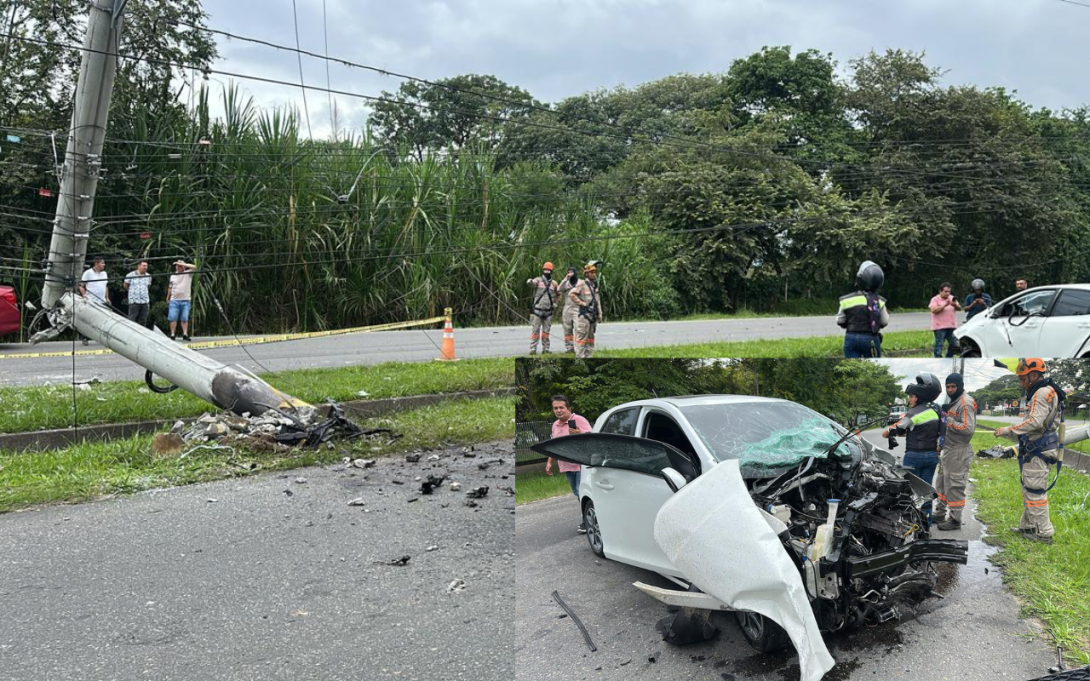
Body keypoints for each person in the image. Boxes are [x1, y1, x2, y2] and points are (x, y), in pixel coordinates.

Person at [994, 359, 1064, 544]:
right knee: (1029, 490)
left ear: (1034, 375)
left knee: (1035, 492)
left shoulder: (1041, 393)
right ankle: (1028, 526)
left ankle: (1044, 533)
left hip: (1039, 448)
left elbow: (1034, 421)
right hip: (1039, 447)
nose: (1020, 383)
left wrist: (1008, 430)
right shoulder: (1047, 390)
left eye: (1022, 379)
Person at [882, 373, 945, 525]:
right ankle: (926, 524)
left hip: (914, 457)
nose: (909, 400)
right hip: (931, 457)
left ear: (917, 397)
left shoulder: (913, 413)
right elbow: (942, 432)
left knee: (912, 492)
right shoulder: (938, 410)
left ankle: (913, 525)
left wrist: (887, 432)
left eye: (910, 396)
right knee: (926, 491)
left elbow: (896, 429)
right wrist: (939, 447)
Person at [544, 395, 593, 533]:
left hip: (581, 464)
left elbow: (592, 439)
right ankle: (591, 517)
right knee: (577, 493)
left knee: (582, 492)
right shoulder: (555, 425)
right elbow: (555, 446)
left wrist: (579, 433)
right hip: (566, 465)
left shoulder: (579, 420)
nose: (558, 410)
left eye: (561, 407)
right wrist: (549, 462)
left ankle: (588, 520)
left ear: (568, 409)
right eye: (555, 408)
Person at [934, 373, 976, 531]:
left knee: (954, 485)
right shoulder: (954, 401)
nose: (950, 390)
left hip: (959, 450)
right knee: (942, 483)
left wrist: (948, 419)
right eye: (948, 387)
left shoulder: (965, 403)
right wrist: (941, 444)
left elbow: (968, 429)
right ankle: (940, 513)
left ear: (960, 386)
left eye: (953, 387)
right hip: (949, 449)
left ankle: (955, 519)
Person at [837, 260, 888, 358]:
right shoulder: (879, 301)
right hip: (871, 338)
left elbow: (840, 320)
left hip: (851, 337)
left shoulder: (846, 300)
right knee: (874, 365)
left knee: (852, 366)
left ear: (860, 279)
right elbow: (884, 322)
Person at [569, 261, 603, 358]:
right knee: (581, 339)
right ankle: (580, 358)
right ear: (587, 274)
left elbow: (597, 301)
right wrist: (581, 303)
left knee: (590, 339)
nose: (594, 274)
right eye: (592, 272)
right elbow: (571, 294)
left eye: (595, 272)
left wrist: (600, 314)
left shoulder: (594, 286)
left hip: (592, 316)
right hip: (584, 317)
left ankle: (589, 357)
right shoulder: (582, 284)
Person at [527, 261, 558, 355]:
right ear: (543, 270)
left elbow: (559, 294)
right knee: (535, 330)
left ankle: (546, 349)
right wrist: (530, 281)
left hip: (548, 312)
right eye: (545, 270)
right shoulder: (538, 280)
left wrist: (555, 303)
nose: (547, 272)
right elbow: (532, 283)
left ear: (551, 271)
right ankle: (533, 349)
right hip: (537, 311)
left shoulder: (554, 284)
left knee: (546, 332)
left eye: (549, 270)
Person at [78, 257, 110, 345]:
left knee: (103, 320)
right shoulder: (88, 273)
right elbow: (81, 286)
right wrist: (84, 295)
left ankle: (101, 338)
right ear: (96, 263)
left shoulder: (104, 273)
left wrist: (107, 297)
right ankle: (85, 337)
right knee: (89, 320)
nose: (104, 265)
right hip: (91, 301)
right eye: (102, 263)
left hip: (102, 301)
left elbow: (105, 286)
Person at [928, 282, 961, 358]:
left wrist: (955, 305)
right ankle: (938, 359)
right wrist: (945, 305)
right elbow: (933, 310)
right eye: (945, 291)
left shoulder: (952, 298)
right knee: (939, 345)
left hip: (951, 326)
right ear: (940, 291)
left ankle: (948, 358)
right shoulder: (935, 299)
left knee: (954, 344)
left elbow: (959, 308)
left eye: (949, 291)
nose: (947, 293)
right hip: (939, 327)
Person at [166, 260, 196, 341]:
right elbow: (170, 287)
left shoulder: (188, 273)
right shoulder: (173, 276)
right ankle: (172, 334)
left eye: (180, 266)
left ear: (183, 267)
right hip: (174, 300)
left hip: (185, 300)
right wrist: (168, 297)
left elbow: (195, 267)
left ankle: (185, 334)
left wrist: (183, 264)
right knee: (173, 317)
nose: (178, 267)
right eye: (177, 266)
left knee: (184, 318)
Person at [123, 259, 152, 328]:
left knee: (143, 319)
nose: (145, 267)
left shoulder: (148, 276)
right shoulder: (130, 275)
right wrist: (131, 292)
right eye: (144, 266)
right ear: (139, 266)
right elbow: (125, 285)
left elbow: (148, 286)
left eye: (146, 266)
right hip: (134, 301)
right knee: (132, 319)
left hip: (145, 301)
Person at [558, 267, 579, 353]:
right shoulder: (566, 283)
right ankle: (569, 348)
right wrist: (565, 279)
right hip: (567, 308)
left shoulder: (580, 283)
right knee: (567, 329)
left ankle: (579, 347)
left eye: (572, 272)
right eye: (568, 272)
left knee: (578, 328)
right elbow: (559, 289)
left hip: (577, 308)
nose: (570, 273)